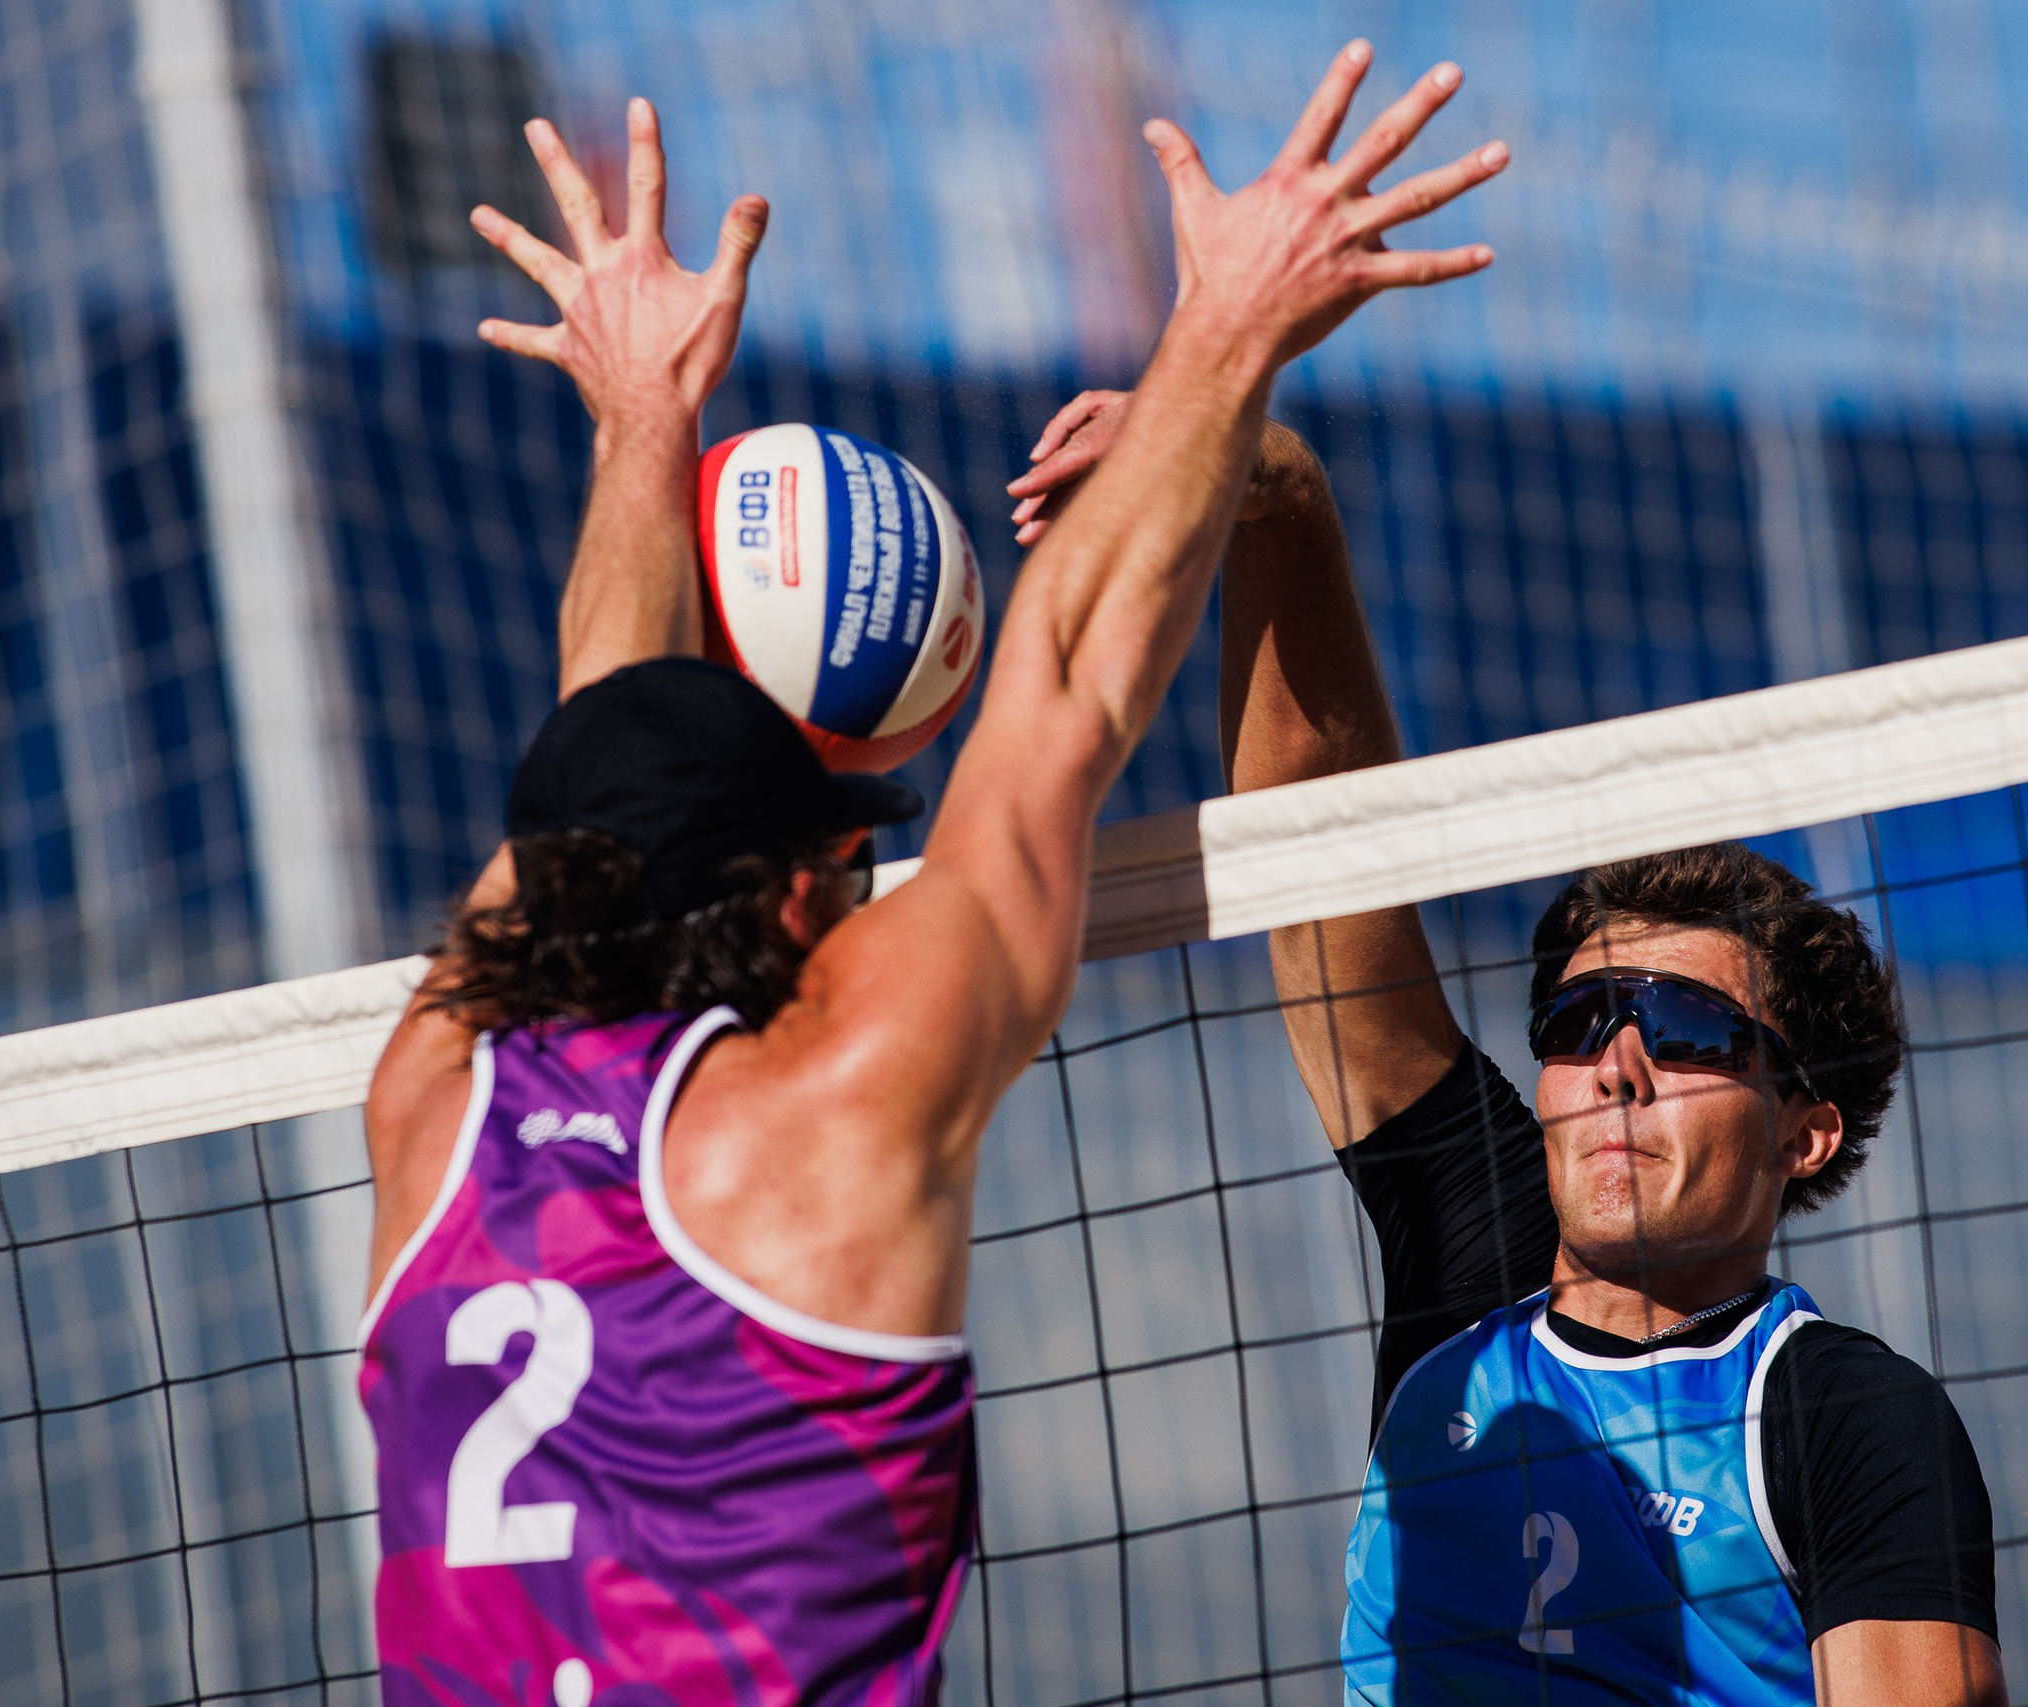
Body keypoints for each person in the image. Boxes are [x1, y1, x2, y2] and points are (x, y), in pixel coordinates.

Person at [359, 60, 1508, 1706]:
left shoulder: (429, 1096)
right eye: (837, 857)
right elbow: (1066, 681)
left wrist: (642, 420)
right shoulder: (842, 1104)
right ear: (793, 897)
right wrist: (1232, 323)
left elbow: (598, 761)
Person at [1009, 405, 2006, 1705]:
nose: (1620, 1064)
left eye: (1689, 1031)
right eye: (1582, 1023)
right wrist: (1275, 491)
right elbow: (1315, 844)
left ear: (1803, 1130)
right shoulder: (1475, 1267)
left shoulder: (1842, 1416)